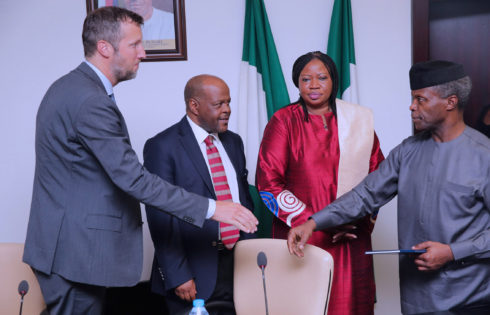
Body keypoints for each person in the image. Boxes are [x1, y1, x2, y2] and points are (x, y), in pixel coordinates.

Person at [23, 7, 257, 315]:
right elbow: (133, 179)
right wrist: (213, 208)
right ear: (105, 48)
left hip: (70, 249)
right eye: (135, 44)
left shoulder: (73, 88)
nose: (143, 53)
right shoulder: (90, 99)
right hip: (75, 253)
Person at [287, 60, 490, 314]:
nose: (412, 107)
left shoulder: (484, 156)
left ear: (450, 102)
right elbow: (365, 195)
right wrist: (312, 223)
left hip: (469, 303)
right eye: (412, 99)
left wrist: (452, 252)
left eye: (421, 100)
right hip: (415, 302)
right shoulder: (407, 151)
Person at [256, 51, 384, 315]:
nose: (313, 85)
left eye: (322, 78)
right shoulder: (283, 121)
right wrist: (315, 222)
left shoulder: (356, 121)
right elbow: (268, 182)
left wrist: (353, 220)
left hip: (350, 233)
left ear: (333, 80)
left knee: (350, 306)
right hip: (303, 236)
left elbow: (379, 178)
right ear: (297, 82)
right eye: (306, 79)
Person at [144, 74, 255, 315]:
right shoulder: (162, 146)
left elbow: (243, 198)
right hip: (193, 273)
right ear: (194, 105)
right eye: (219, 104)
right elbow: (159, 216)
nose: (227, 110)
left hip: (238, 266)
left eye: (229, 102)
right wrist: (178, 274)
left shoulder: (233, 142)